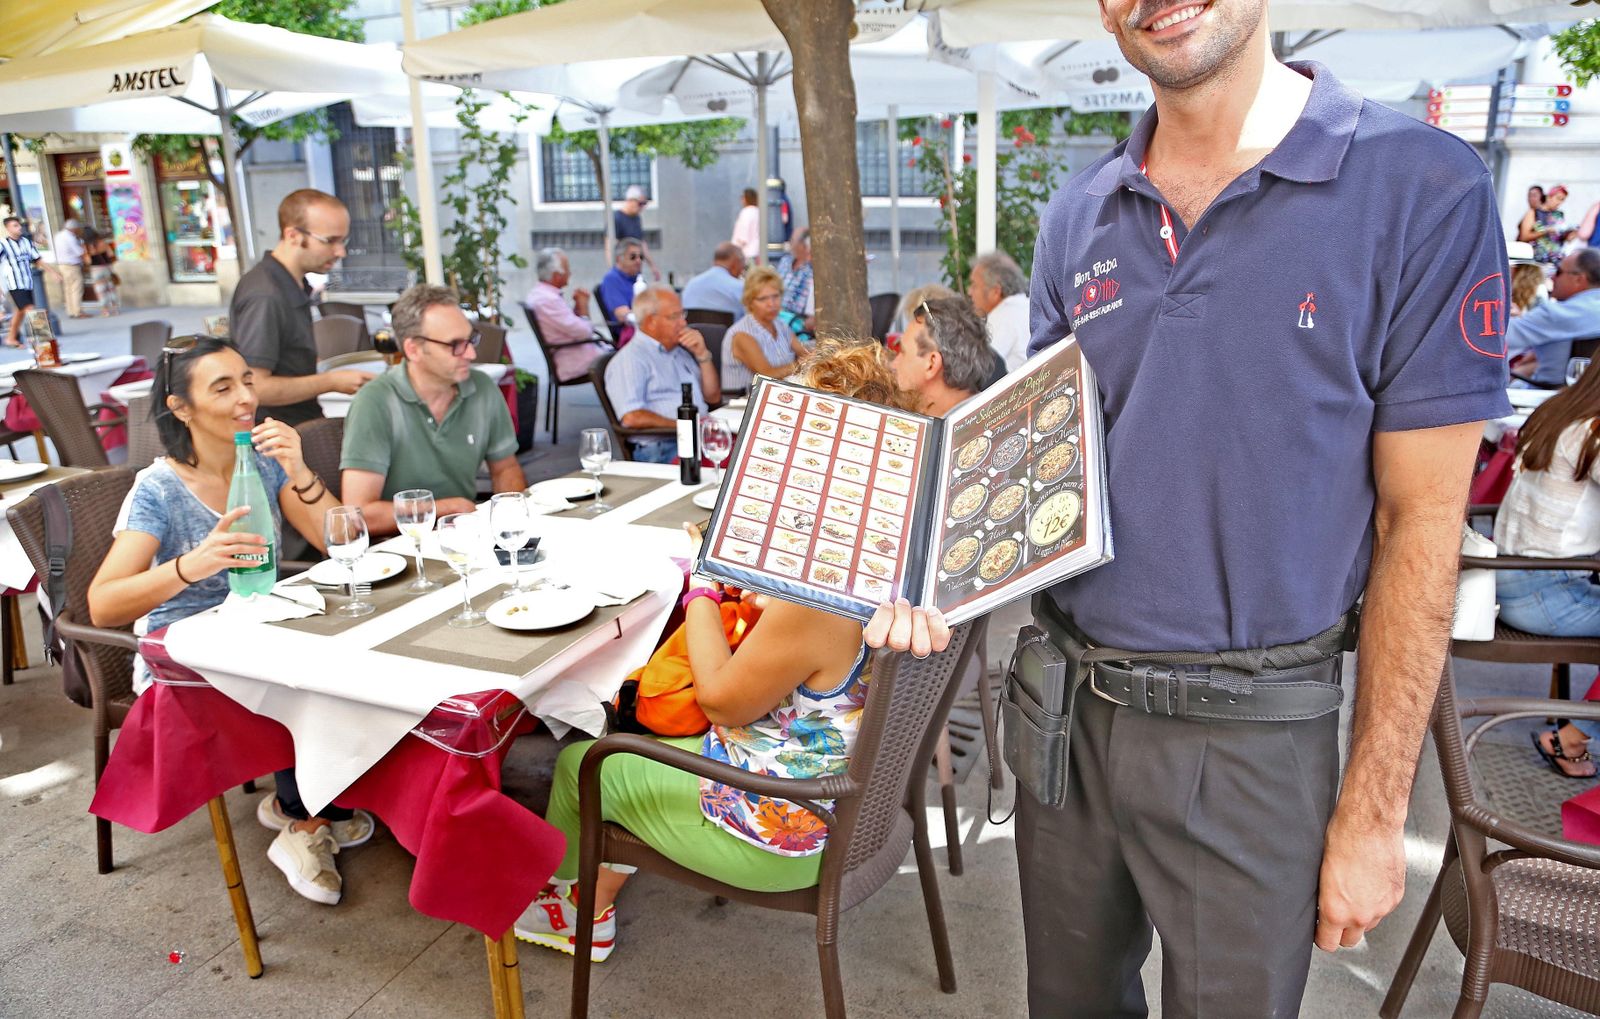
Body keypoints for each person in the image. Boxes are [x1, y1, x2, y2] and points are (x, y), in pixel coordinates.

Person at [868, 3, 1514, 1014]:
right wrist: (925, 571)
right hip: (1061, 711)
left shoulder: (1419, 184)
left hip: (1254, 731)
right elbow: (1042, 469)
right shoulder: (1078, 209)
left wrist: (1375, 808)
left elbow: (1421, 522)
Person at [515, 337, 915, 961]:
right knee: (643, 744)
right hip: (849, 802)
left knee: (581, 764)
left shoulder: (817, 598)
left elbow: (723, 702)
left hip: (787, 833)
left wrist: (703, 580)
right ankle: (601, 888)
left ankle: (576, 914)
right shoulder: (887, 552)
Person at [87, 336, 374, 906]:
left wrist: (297, 467)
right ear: (181, 408)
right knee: (303, 676)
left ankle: (315, 793)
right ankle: (303, 823)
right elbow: (104, 604)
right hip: (184, 658)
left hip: (260, 627)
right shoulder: (160, 489)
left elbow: (335, 543)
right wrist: (191, 566)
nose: (247, 397)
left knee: (355, 651)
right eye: (224, 388)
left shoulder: (265, 463)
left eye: (247, 380)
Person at [341, 284, 525, 536]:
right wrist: (446, 508)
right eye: (455, 345)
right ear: (413, 350)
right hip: (396, 548)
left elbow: (505, 468)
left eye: (471, 339)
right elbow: (358, 514)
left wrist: (511, 525)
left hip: (464, 537)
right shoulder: (375, 401)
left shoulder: (481, 388)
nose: (471, 353)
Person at [1493, 363, 1600, 779]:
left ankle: (1573, 725)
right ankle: (1569, 737)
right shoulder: (1592, 430)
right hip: (1546, 590)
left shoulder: (1557, 410)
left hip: (1508, 576)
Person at [230, 189, 373, 426]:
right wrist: (330, 381)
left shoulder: (291, 283)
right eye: (331, 240)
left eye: (343, 240)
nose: (341, 252)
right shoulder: (265, 294)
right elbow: (255, 386)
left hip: (298, 425)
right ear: (293, 235)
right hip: (281, 435)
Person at [603, 285, 720, 463]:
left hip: (698, 438)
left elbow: (712, 397)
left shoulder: (679, 351)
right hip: (665, 447)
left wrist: (703, 355)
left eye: (683, 314)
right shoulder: (631, 359)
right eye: (675, 316)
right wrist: (687, 427)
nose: (683, 323)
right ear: (651, 321)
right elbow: (632, 417)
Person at [1505, 248, 1600, 387]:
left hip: (1553, 397)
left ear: (1579, 279)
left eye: (1559, 272)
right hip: (1589, 399)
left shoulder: (1559, 313)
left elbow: (1498, 337)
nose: (1552, 278)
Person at [891, 296, 992, 417]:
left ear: (931, 364)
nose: (893, 364)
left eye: (903, 352)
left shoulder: (955, 432)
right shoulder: (988, 417)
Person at [525, 247, 609, 381]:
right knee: (625, 359)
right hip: (573, 360)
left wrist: (577, 309)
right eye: (567, 268)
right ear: (557, 275)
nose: (570, 273)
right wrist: (584, 309)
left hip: (576, 351)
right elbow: (584, 332)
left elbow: (568, 325)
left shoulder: (543, 294)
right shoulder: (547, 300)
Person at [721, 266, 806, 393]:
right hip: (741, 404)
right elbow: (767, 375)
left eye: (775, 296)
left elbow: (806, 354)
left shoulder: (781, 325)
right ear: (750, 302)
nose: (771, 304)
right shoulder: (742, 333)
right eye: (763, 299)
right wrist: (802, 364)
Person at [0, 215, 62, 348]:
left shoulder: (26, 242)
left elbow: (37, 259)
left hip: (27, 282)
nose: (19, 228)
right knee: (30, 309)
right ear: (8, 228)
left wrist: (53, 273)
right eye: (15, 226)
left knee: (20, 311)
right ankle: (45, 342)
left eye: (19, 225)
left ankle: (11, 338)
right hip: (14, 283)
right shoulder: (3, 244)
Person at [968, 251, 1030, 372]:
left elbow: (977, 370)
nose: (969, 292)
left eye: (974, 285)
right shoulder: (1026, 306)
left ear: (995, 292)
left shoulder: (1004, 315)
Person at [597, 238, 645, 345]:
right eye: (633, 257)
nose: (638, 261)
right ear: (619, 259)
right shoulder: (612, 279)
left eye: (641, 257)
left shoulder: (638, 279)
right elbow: (623, 315)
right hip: (630, 334)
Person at [681, 242, 747, 317]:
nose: (742, 271)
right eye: (744, 266)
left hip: (693, 328)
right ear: (735, 262)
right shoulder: (739, 287)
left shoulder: (691, 285)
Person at [775, 227, 814, 341]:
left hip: (798, 321)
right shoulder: (785, 261)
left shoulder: (814, 267)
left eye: (792, 240)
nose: (790, 243)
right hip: (776, 313)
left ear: (803, 245)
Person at [613, 185, 660, 281]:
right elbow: (610, 246)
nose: (642, 208)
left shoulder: (636, 218)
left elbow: (641, 243)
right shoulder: (617, 218)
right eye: (640, 203)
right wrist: (615, 270)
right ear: (630, 201)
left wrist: (653, 266)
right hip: (623, 271)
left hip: (635, 271)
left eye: (644, 204)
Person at [52, 218, 87, 319]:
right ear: (74, 229)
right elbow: (79, 252)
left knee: (68, 289)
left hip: (62, 265)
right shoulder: (70, 237)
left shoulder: (58, 236)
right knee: (76, 288)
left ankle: (70, 310)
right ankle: (77, 311)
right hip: (71, 265)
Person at [1532, 185, 1576, 267]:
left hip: (1555, 259)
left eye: (1563, 200)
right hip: (1538, 258)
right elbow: (1525, 235)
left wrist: (1569, 235)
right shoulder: (1535, 212)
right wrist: (1547, 230)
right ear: (1549, 197)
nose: (1560, 202)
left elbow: (1561, 236)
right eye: (1558, 198)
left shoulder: (1559, 214)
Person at [85, 228, 120, 317]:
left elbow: (88, 261)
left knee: (100, 291)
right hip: (107, 268)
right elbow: (111, 255)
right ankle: (115, 309)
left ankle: (105, 311)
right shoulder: (103, 243)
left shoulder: (86, 247)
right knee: (110, 289)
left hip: (96, 270)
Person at [730, 187, 761, 262]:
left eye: (742, 197)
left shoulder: (746, 212)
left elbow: (743, 236)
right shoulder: (758, 212)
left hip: (746, 252)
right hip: (757, 251)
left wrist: (734, 249)